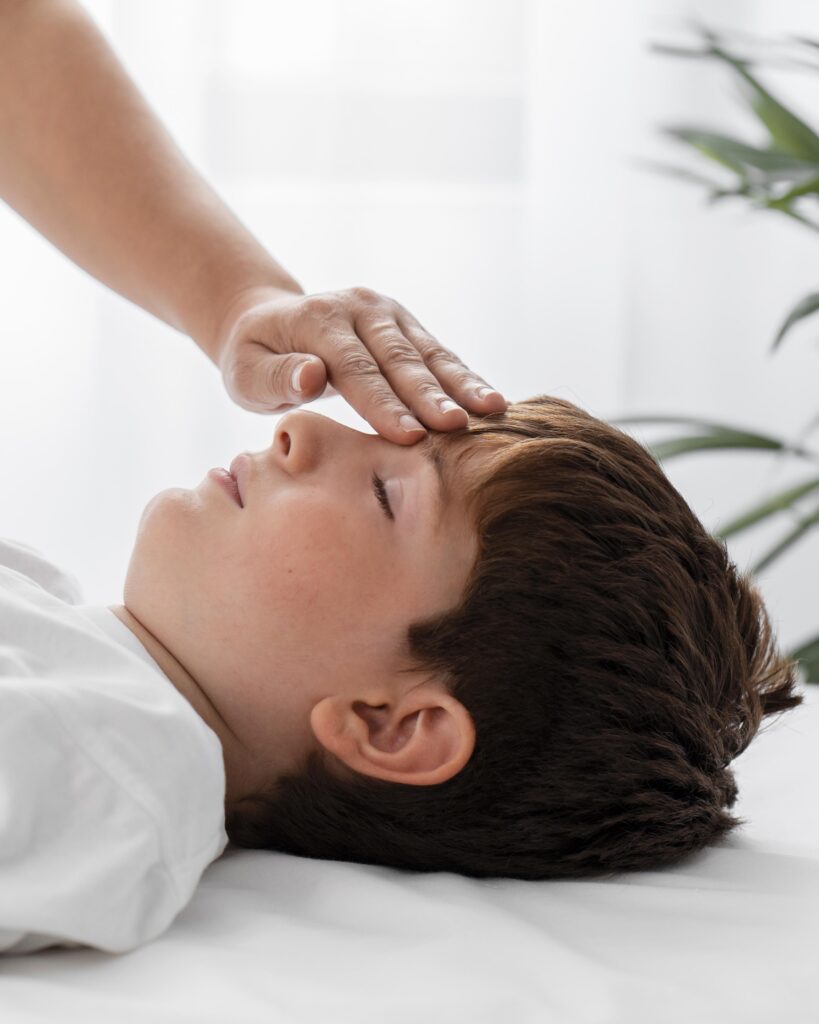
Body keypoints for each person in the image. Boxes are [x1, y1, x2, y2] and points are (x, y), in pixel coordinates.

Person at [0, 1, 804, 957]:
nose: (300, 426)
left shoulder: (96, 770)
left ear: (389, 726)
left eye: (388, 493)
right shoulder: (71, 650)